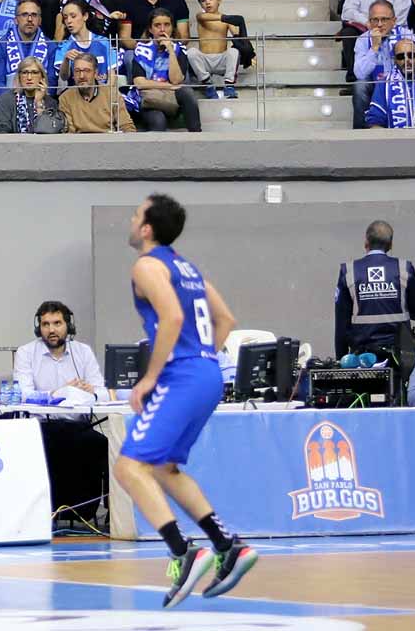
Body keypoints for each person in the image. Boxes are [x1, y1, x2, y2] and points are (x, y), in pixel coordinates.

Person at [115, 195, 256, 608]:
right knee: (162, 468)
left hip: (183, 374)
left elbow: (173, 318)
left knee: (128, 467)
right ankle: (226, 545)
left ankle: (183, 550)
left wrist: (151, 378)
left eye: (135, 213)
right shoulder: (187, 267)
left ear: (146, 229)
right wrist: (204, 358)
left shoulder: (147, 265)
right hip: (208, 372)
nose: (131, 217)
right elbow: (226, 319)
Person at [13, 300, 110, 518]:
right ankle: (45, 514)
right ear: (39, 327)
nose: (52, 330)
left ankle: (90, 514)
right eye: (46, 324)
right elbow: (24, 395)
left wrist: (90, 392)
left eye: (57, 323)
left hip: (79, 426)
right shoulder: (26, 353)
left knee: (101, 444)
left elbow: (102, 393)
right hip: (42, 427)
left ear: (69, 325)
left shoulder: (83, 352)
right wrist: (60, 393)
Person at [334, 219, 415, 362]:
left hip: (362, 359)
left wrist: (340, 360)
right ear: (390, 245)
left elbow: (341, 323)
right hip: (399, 358)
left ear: (366, 242)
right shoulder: (404, 268)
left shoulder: (349, 271)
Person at [352, 1, 415, 128]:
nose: (380, 24)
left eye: (384, 19)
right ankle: (361, 133)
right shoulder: (363, 39)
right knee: (359, 86)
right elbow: (359, 74)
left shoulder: (406, 35)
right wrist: (374, 48)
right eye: (375, 20)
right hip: (376, 84)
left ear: (394, 21)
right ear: (369, 21)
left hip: (403, 82)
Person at [338, 0, 410, 81]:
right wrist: (369, 23)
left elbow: (399, 18)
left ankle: (398, 77)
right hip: (364, 33)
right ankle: (355, 79)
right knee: (348, 32)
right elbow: (347, 12)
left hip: (392, 33)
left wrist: (379, 26)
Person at [129, 10, 202, 132]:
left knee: (187, 92)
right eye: (157, 25)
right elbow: (140, 83)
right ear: (150, 29)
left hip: (171, 97)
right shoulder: (141, 50)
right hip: (149, 99)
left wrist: (171, 51)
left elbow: (177, 80)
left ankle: (196, 134)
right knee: (158, 119)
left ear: (172, 28)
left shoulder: (179, 49)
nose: (162, 30)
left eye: (166, 25)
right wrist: (168, 86)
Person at [365, 37, 415, 128]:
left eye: (411, 55)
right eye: (401, 57)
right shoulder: (383, 84)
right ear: (394, 59)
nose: (407, 60)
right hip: (394, 140)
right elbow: (375, 122)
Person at [0, 0, 50, 100]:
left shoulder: (50, 45)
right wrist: (14, 99)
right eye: (24, 15)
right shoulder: (1, 44)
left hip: (40, 98)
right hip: (9, 101)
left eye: (34, 15)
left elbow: (52, 81)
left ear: (40, 20)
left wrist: (38, 97)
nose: (29, 19)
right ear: (16, 20)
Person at [59, 52, 136, 133]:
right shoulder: (65, 98)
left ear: (95, 73)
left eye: (86, 71)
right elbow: (69, 133)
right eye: (77, 71)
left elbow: (127, 126)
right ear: (73, 74)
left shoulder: (112, 94)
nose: (81, 76)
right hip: (79, 142)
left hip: (108, 141)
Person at [53, 0, 119, 92]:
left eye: (73, 16)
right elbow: (64, 77)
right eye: (65, 17)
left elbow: (112, 76)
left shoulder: (103, 42)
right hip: (77, 96)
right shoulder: (64, 46)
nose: (69, 21)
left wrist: (105, 96)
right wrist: (66, 60)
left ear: (85, 16)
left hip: (103, 93)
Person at [189, 0, 241, 99]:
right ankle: (207, 83)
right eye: (203, 0)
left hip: (221, 59)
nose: (207, 2)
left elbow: (237, 35)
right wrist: (227, 18)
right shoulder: (201, 16)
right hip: (205, 60)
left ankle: (229, 85)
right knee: (191, 52)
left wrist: (249, 52)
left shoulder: (227, 19)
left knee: (234, 51)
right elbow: (205, 17)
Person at [0, 57, 50, 133]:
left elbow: (49, 132)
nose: (29, 78)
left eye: (34, 72)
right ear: (19, 77)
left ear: (42, 77)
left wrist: (39, 102)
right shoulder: (6, 99)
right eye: (25, 73)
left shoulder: (50, 102)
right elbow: (1, 130)